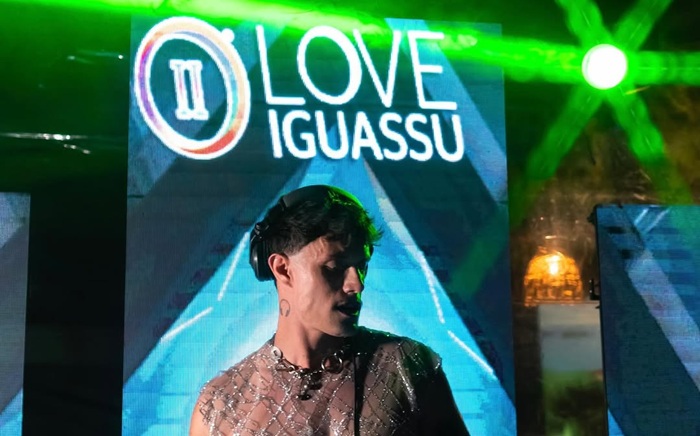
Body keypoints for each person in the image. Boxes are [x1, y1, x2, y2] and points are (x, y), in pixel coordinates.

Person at [190, 185, 469, 436]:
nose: (356, 284)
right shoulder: (219, 407)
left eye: (362, 266)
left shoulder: (408, 367)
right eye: (334, 267)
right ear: (282, 269)